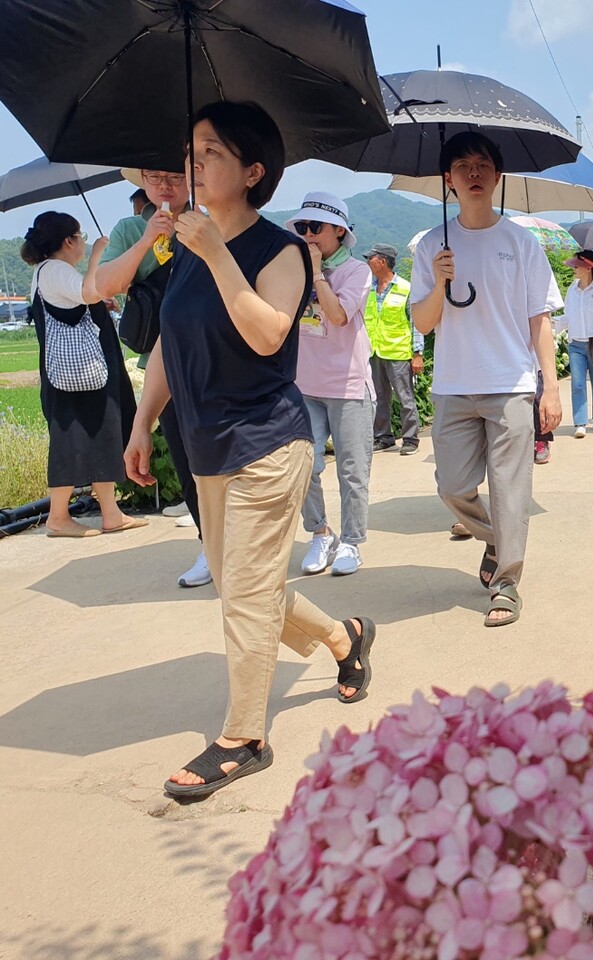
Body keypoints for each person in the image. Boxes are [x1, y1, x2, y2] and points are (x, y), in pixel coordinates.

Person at [124, 101, 374, 799]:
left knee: (243, 598)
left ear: (253, 170)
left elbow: (268, 334)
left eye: (210, 152)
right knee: (246, 588)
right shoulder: (186, 251)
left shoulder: (281, 250)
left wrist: (214, 254)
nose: (193, 163)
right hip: (206, 448)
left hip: (268, 444)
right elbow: (170, 347)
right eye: (191, 150)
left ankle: (243, 736)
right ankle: (345, 639)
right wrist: (144, 421)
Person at [410, 130, 563, 628]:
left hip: (511, 383)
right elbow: (422, 322)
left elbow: (539, 318)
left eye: (482, 165)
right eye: (462, 166)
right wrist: (439, 279)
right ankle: (498, 538)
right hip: (452, 384)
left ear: (497, 177)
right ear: (448, 181)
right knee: (452, 487)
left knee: (510, 489)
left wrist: (550, 386)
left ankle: (507, 584)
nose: (473, 174)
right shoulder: (432, 245)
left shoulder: (521, 243)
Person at [92, 167, 209, 587]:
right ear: (141, 181)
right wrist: (147, 240)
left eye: (175, 176)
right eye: (153, 177)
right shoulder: (129, 229)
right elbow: (104, 285)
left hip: (216, 360)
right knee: (188, 460)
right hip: (166, 366)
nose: (165, 186)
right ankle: (209, 544)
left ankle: (244, 542)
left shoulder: (211, 219)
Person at [22, 212, 146, 538]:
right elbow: (87, 293)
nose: (84, 243)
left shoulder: (50, 272)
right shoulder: (54, 270)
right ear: (69, 241)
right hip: (74, 377)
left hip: (83, 375)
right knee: (70, 440)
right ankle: (58, 517)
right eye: (82, 237)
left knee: (102, 436)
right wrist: (98, 257)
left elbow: (82, 301)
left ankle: (111, 513)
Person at [285, 192, 375, 577]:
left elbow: (337, 316)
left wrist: (317, 273)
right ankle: (321, 532)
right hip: (304, 384)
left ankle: (352, 542)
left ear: (339, 230)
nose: (307, 234)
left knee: (352, 471)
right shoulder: (293, 268)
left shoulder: (357, 271)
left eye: (315, 227)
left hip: (349, 386)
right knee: (304, 467)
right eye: (302, 227)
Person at [364, 242, 423, 456]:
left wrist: (417, 354)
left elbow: (415, 322)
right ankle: (384, 437)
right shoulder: (367, 289)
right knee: (379, 397)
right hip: (374, 351)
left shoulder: (405, 288)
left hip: (398, 351)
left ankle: (410, 438)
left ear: (382, 261)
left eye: (371, 258)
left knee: (404, 396)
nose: (368, 261)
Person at [562, 249, 593, 438]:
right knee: (577, 384)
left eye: (577, 265)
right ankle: (580, 422)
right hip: (576, 343)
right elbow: (568, 315)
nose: (574, 268)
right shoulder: (571, 290)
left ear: (589, 267)